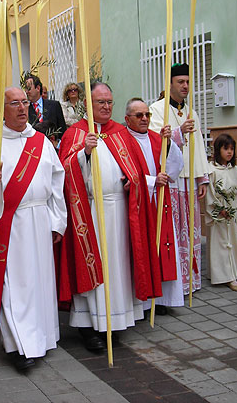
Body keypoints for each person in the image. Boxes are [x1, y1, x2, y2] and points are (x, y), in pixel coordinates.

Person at [59, 83, 161, 351]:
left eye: (109, 102)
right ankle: (89, 326)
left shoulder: (121, 133)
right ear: (88, 104)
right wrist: (85, 152)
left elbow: (136, 172)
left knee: (117, 266)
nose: (106, 106)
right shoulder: (76, 133)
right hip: (89, 212)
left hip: (118, 211)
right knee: (94, 264)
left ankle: (114, 321)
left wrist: (132, 181)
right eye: (100, 102)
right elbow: (63, 171)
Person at [0, 87, 66, 370]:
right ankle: (19, 346)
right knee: (14, 286)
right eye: (15, 103)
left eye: (25, 102)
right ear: (2, 108)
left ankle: (42, 337)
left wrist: (57, 220)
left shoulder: (42, 142)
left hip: (39, 219)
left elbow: (57, 183)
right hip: (9, 223)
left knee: (39, 282)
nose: (22, 108)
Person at [149, 63, 209, 295]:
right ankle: (174, 282)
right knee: (173, 231)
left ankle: (190, 279)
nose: (185, 86)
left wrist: (202, 177)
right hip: (171, 182)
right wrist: (178, 132)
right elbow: (154, 144)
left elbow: (199, 145)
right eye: (180, 82)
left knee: (191, 230)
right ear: (170, 84)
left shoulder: (191, 111)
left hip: (188, 182)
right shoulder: (156, 110)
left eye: (187, 82)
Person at [124, 97, 184, 312]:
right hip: (138, 202)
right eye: (139, 115)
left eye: (147, 115)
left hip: (159, 200)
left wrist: (168, 144)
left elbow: (175, 166)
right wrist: (150, 181)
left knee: (161, 248)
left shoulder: (156, 138)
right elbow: (122, 175)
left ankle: (162, 299)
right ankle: (143, 301)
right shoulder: (122, 140)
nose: (144, 119)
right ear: (127, 118)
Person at [205, 134, 237, 292]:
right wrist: (219, 209)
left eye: (232, 149)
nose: (229, 152)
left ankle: (234, 272)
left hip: (233, 210)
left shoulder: (235, 169)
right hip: (220, 212)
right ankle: (224, 275)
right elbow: (210, 192)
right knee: (221, 243)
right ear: (218, 150)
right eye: (225, 148)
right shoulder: (211, 170)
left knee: (233, 241)